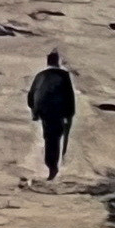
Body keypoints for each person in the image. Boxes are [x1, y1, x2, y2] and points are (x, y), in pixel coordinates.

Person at [25, 50, 78, 181]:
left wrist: (34, 112)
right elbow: (69, 95)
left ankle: (51, 165)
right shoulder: (64, 75)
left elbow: (31, 95)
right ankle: (52, 166)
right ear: (57, 62)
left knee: (49, 137)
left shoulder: (40, 75)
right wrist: (69, 113)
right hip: (57, 110)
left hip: (43, 110)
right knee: (55, 137)